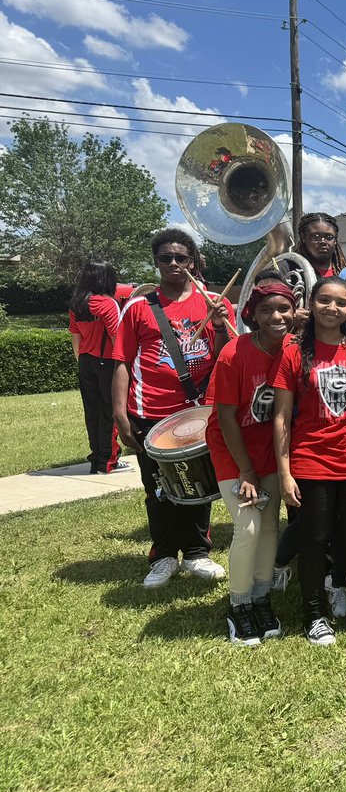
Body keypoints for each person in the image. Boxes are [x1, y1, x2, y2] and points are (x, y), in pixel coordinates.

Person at [112, 228, 233, 589]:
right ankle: (163, 555)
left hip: (197, 412)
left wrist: (218, 324)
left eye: (182, 258)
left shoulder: (214, 302)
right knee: (159, 487)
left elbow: (227, 354)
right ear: (157, 263)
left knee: (199, 484)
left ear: (193, 262)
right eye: (166, 258)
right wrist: (120, 414)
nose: (175, 264)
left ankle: (197, 552)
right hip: (151, 412)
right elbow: (121, 360)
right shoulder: (139, 306)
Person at [271, 277, 346, 645]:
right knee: (314, 541)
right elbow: (281, 416)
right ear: (312, 302)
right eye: (324, 300)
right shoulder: (293, 351)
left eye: (340, 302)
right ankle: (314, 615)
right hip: (310, 462)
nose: (331, 308)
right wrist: (285, 471)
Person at [207, 278, 296, 645]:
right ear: (252, 315)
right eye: (266, 310)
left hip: (272, 451)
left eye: (284, 308)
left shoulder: (294, 348)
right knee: (248, 527)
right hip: (233, 450)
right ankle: (239, 606)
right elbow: (226, 417)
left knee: (271, 526)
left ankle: (261, 599)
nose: (276, 316)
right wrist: (245, 471)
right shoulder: (234, 352)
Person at [68, 260, 126, 475]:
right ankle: (107, 461)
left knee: (91, 411)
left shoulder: (77, 303)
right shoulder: (107, 303)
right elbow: (116, 336)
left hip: (85, 361)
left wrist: (82, 361)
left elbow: (76, 337)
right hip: (108, 362)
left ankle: (96, 457)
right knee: (110, 410)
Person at [296, 211, 346, 279]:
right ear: (303, 238)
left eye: (329, 237)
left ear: (335, 240)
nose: (323, 241)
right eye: (316, 236)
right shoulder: (288, 269)